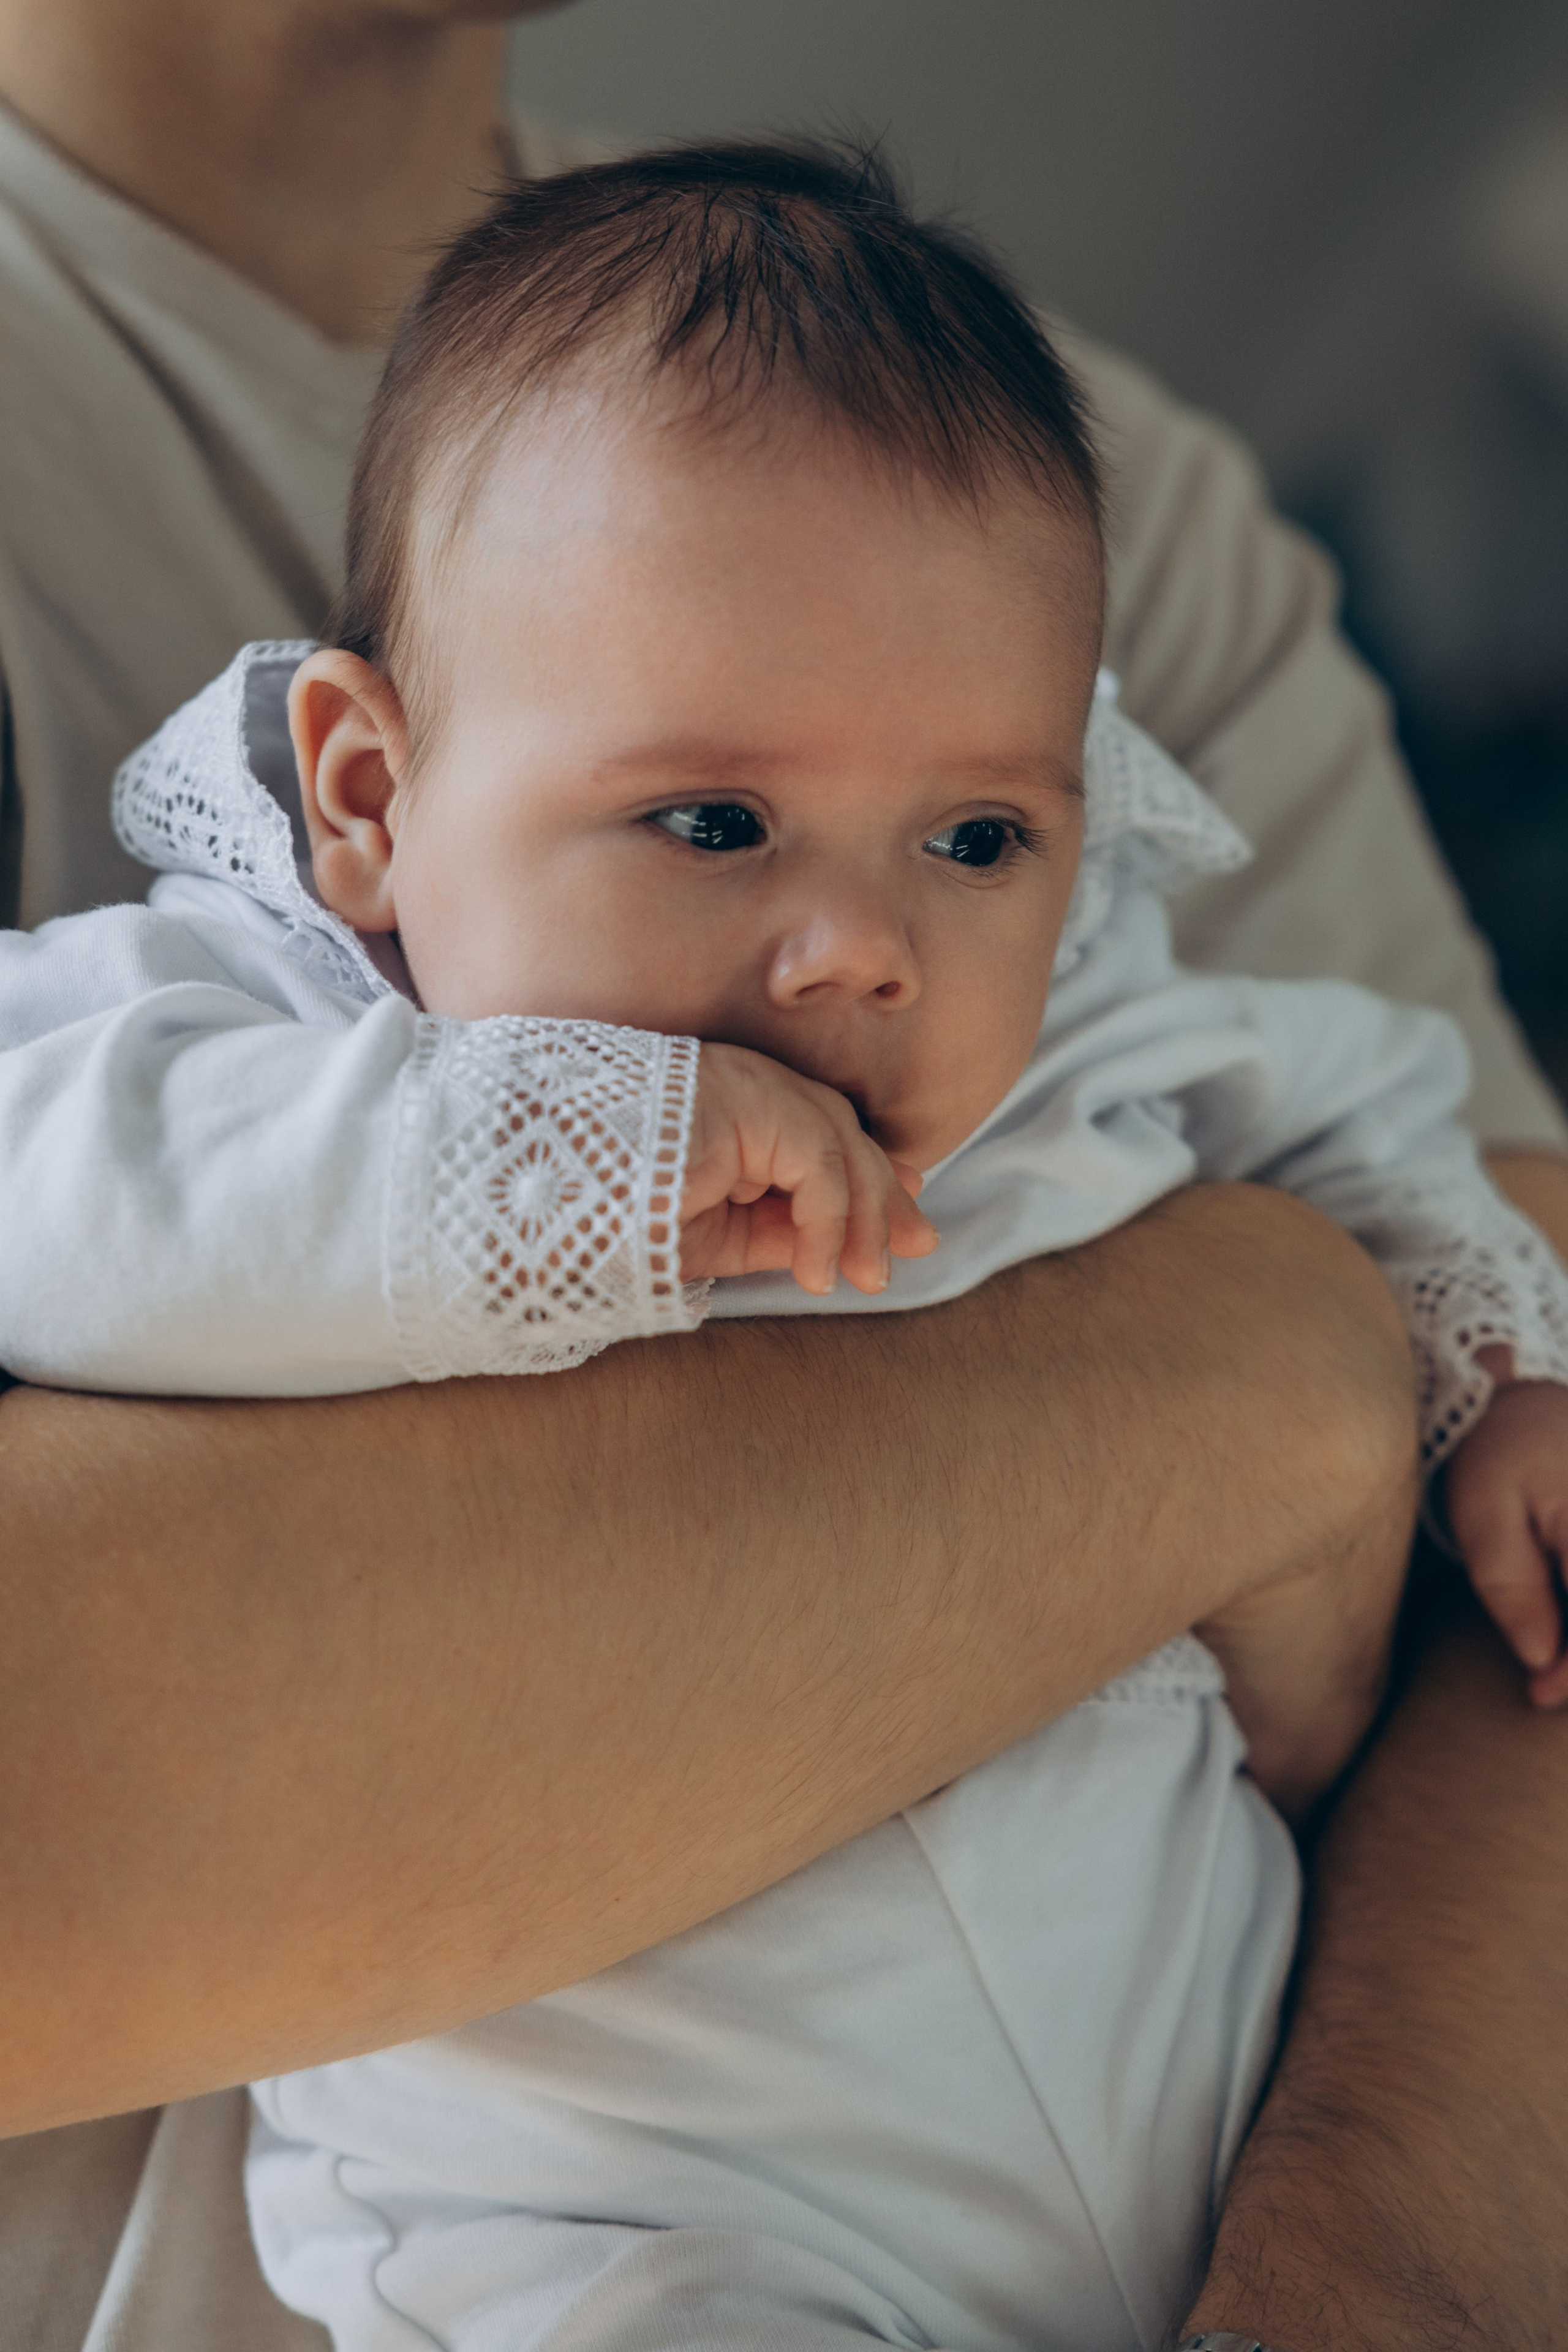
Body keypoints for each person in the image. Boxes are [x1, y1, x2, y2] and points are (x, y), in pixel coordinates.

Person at [0, 9, 1565, 2350]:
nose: (861, 949)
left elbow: (1359, 1100)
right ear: (361, 799)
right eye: (711, 824)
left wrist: (1473, 1354)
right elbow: (68, 1191)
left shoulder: (1041, 558)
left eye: (977, 836)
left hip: (1217, 2160)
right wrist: (558, 1157)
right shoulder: (290, 1021)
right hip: (650, 2244)